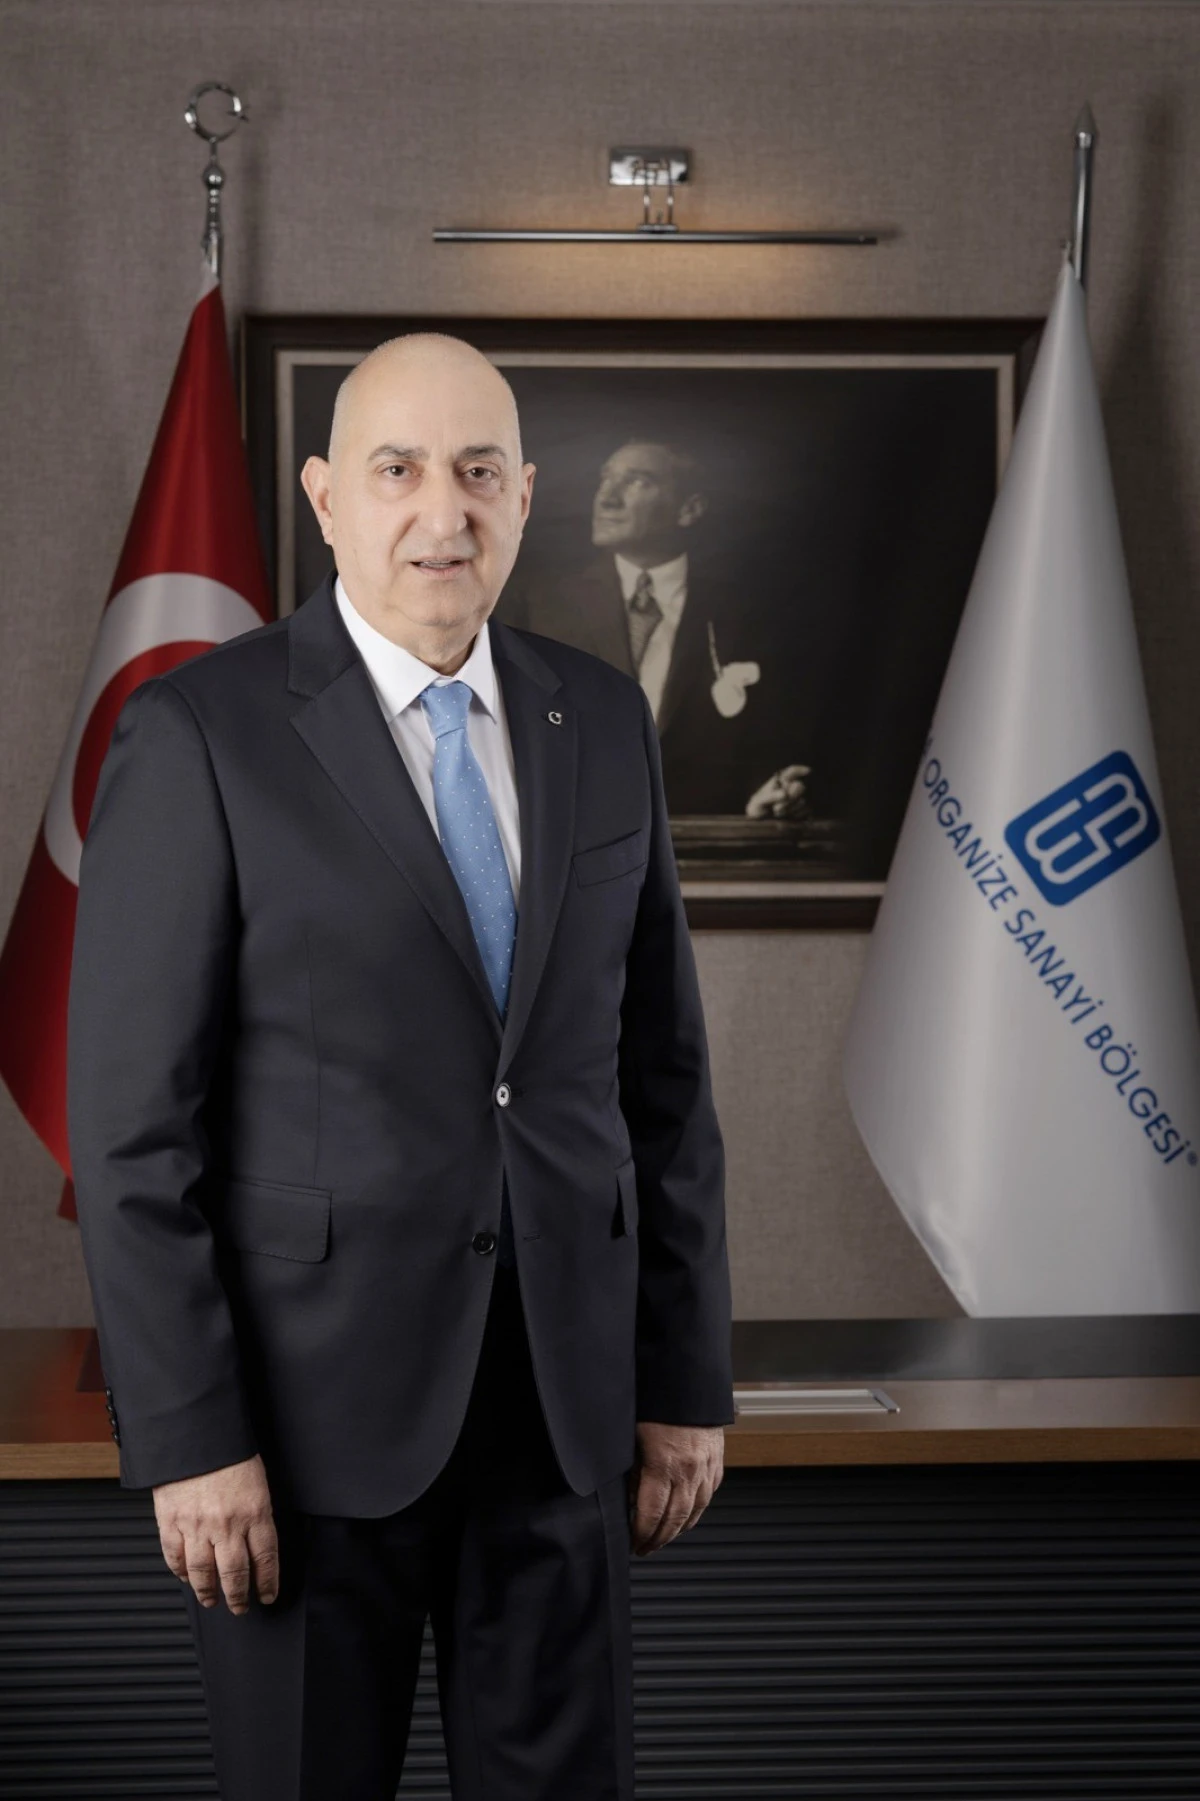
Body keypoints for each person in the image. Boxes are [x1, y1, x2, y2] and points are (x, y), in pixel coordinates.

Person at [66, 334, 734, 1801]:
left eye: (480, 471)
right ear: (325, 499)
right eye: (399, 469)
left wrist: (685, 1378)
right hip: (297, 1444)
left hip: (562, 1419)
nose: (446, 510)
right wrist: (190, 1440)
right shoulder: (200, 732)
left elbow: (664, 1086)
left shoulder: (600, 718)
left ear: (526, 496)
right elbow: (130, 1131)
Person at [494, 435, 816, 817]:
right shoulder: (536, 604)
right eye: (605, 479)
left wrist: (768, 792)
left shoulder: (747, 615)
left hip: (704, 835)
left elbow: (767, 739)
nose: (607, 498)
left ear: (689, 509)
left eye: (637, 481)